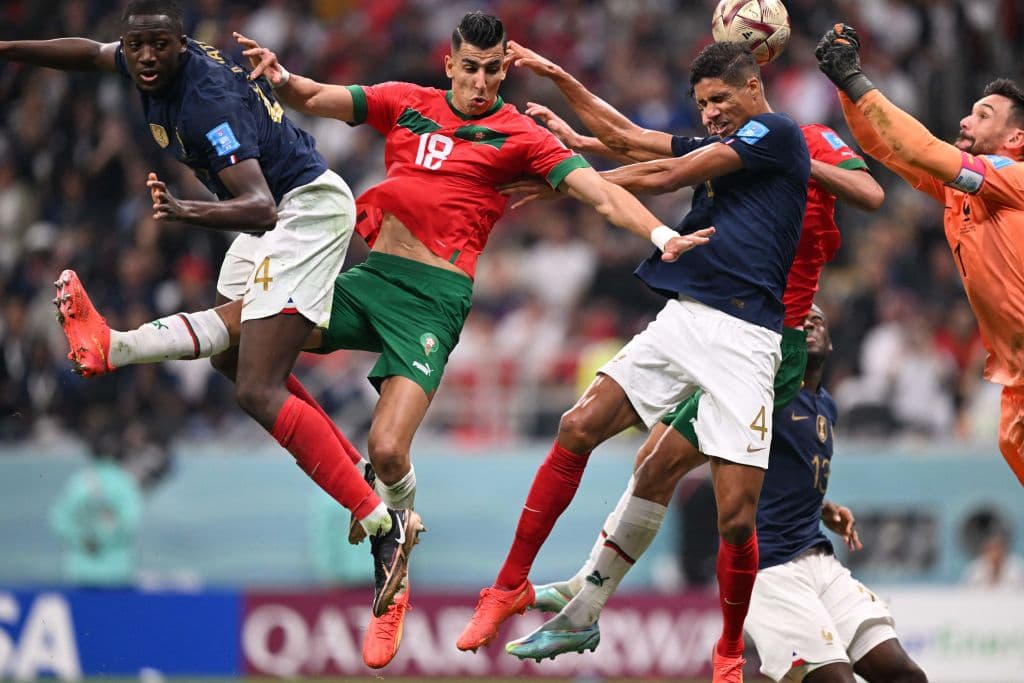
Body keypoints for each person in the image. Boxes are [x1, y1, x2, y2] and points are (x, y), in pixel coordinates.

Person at [40, 11, 711, 669]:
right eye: (471, 68)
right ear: (449, 64)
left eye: (493, 71)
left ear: (506, 71)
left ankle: (391, 558)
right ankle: (120, 348)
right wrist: (280, 74)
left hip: (431, 304)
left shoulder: (520, 136)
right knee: (241, 346)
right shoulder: (406, 102)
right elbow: (314, 97)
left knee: (387, 448)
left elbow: (599, 193)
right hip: (368, 277)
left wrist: (660, 235)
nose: (481, 81)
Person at [0, 0, 419, 646]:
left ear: (178, 44)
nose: (143, 58)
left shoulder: (204, 103)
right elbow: (87, 53)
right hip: (274, 211)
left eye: (156, 46)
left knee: (257, 385)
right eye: (134, 45)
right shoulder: (149, 64)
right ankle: (120, 347)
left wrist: (184, 210)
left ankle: (383, 523)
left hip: (299, 211)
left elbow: (258, 207)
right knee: (234, 364)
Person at [487, 42, 883, 681]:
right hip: (713, 322)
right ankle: (585, 603)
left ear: (756, 76)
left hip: (770, 339)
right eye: (703, 103)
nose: (710, 112)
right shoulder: (726, 140)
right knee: (652, 465)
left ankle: (599, 606)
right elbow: (638, 142)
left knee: (697, 488)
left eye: (719, 99)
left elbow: (870, 192)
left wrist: (800, 164)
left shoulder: (796, 137)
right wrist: (575, 130)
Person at [523, 307, 928, 683]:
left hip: (820, 559)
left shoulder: (827, 407)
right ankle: (588, 590)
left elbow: (777, 473)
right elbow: (667, 466)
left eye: (817, 319)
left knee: (903, 673)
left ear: (833, 341)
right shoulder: (754, 391)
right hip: (770, 570)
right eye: (799, 317)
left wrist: (821, 507)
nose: (808, 323)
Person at [816, 23, 1024, 487]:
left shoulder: (1013, 176)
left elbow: (919, 145)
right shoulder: (960, 190)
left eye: (984, 115)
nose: (966, 122)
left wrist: (857, 81)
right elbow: (882, 145)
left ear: (1015, 140)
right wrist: (843, 84)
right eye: (969, 112)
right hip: (1015, 385)